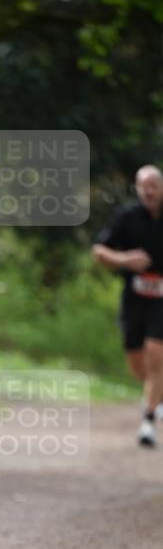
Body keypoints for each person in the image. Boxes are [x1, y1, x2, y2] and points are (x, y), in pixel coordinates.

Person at [93, 165, 163, 447]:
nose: (148, 191)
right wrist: (126, 260)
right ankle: (156, 395)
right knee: (137, 361)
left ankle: (148, 421)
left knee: (156, 352)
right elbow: (99, 251)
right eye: (142, 185)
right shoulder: (126, 217)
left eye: (153, 185)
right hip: (134, 297)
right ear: (136, 188)